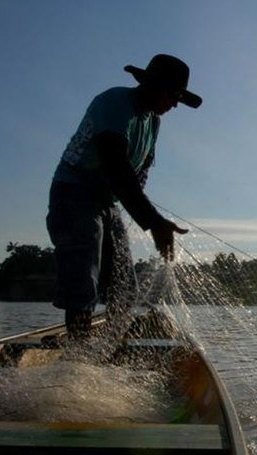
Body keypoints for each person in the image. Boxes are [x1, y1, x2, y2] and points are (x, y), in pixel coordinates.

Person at [46, 54, 201, 339]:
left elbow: (137, 175)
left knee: (124, 287)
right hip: (74, 193)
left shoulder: (153, 121)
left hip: (107, 202)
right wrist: (153, 221)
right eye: (173, 94)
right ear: (151, 85)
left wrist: (147, 216)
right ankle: (78, 357)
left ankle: (112, 346)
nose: (175, 103)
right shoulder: (116, 103)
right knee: (83, 281)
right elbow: (116, 166)